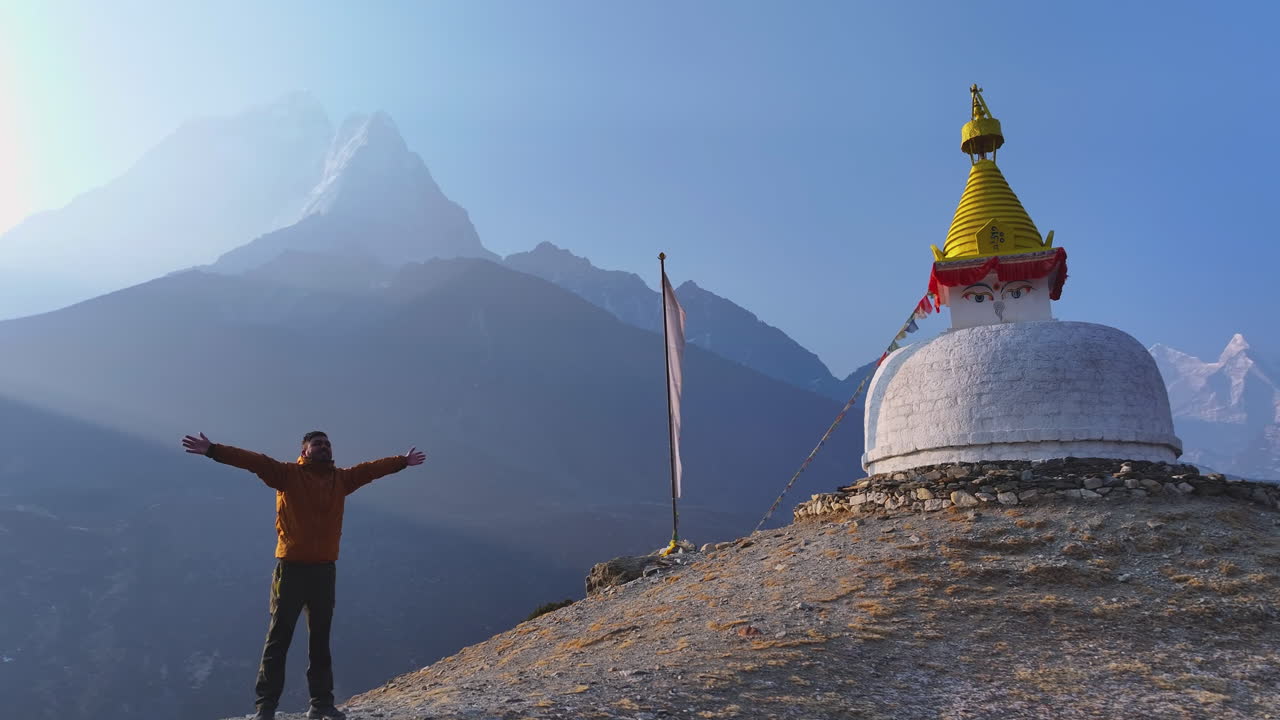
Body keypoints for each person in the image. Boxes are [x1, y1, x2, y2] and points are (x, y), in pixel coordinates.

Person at [182, 430, 426, 720]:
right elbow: (253, 461)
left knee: (320, 641)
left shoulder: (341, 479)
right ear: (305, 450)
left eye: (327, 444)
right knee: (278, 639)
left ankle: (321, 704)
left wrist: (402, 461)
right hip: (292, 569)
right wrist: (213, 450)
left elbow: (371, 470)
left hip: (324, 571)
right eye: (317, 444)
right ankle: (266, 707)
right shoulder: (286, 475)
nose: (324, 447)